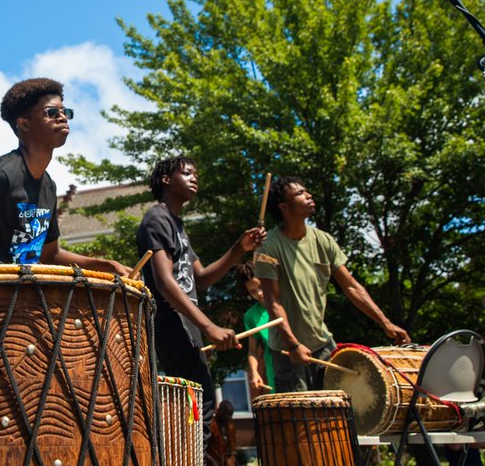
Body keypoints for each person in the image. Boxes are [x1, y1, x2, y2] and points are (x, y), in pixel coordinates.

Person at [0, 78, 131, 276]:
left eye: (65, 111)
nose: (62, 117)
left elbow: (50, 255)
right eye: (51, 112)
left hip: (20, 304)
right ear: (24, 124)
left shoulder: (48, 187)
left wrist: (106, 265)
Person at [136, 156, 265, 444]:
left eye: (196, 174)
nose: (194, 178)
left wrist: (238, 249)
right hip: (171, 321)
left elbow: (202, 278)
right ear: (167, 180)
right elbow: (164, 281)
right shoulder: (157, 218)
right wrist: (210, 327)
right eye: (186, 173)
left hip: (186, 323)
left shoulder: (176, 225)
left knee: (197, 409)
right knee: (196, 411)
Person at [254, 176, 409, 393]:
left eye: (307, 191)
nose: (308, 195)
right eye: (300, 193)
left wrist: (385, 323)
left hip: (323, 344)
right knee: (300, 420)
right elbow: (273, 301)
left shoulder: (324, 240)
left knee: (335, 417)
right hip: (289, 352)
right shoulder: (267, 248)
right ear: (284, 207)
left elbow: (352, 286)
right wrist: (293, 344)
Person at [236, 262, 274, 397]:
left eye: (260, 286)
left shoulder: (284, 301)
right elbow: (252, 351)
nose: (259, 293)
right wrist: (255, 372)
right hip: (275, 371)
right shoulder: (250, 316)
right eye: (252, 291)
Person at [206, 400, 238, 466]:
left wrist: (236, 462)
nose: (228, 418)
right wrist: (213, 462)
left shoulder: (230, 426)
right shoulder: (210, 425)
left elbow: (232, 447)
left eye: (230, 415)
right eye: (226, 415)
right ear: (218, 411)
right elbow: (202, 447)